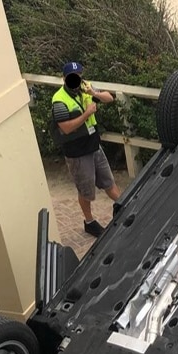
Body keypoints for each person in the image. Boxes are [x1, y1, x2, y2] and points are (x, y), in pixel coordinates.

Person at [51, 61, 121, 237]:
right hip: (77, 153)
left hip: (94, 146)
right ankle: (89, 222)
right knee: (86, 191)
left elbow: (110, 98)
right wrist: (87, 114)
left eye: (79, 75)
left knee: (109, 182)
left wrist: (93, 92)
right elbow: (65, 127)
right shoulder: (59, 100)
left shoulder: (86, 87)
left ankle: (124, 207)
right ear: (65, 78)